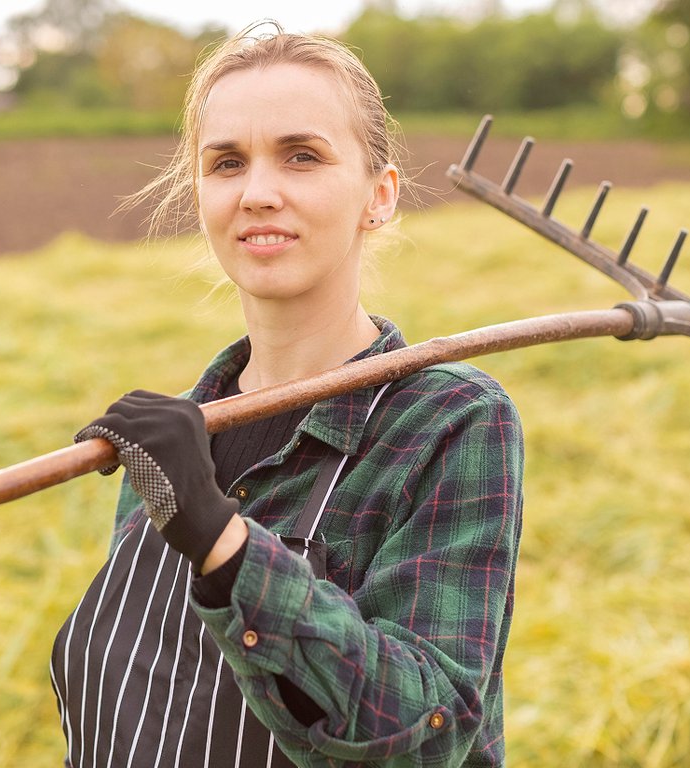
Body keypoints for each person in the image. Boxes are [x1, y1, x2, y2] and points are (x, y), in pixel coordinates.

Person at [49, 22, 524, 768]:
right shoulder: (172, 441)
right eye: (227, 163)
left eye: (302, 157)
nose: (259, 193)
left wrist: (223, 543)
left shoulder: (447, 422)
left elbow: (429, 729)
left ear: (380, 195)